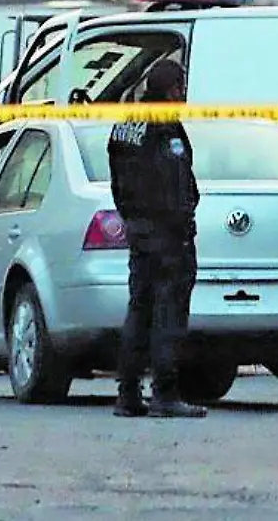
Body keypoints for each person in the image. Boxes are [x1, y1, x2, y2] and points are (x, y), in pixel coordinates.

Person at [107, 59, 205, 420]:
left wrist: (134, 219)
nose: (183, 94)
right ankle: (165, 393)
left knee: (139, 311)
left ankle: (128, 392)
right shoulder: (163, 127)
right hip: (167, 236)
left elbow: (118, 182)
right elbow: (174, 182)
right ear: (171, 88)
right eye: (180, 87)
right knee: (168, 315)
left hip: (140, 231)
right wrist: (181, 222)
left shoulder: (126, 123)